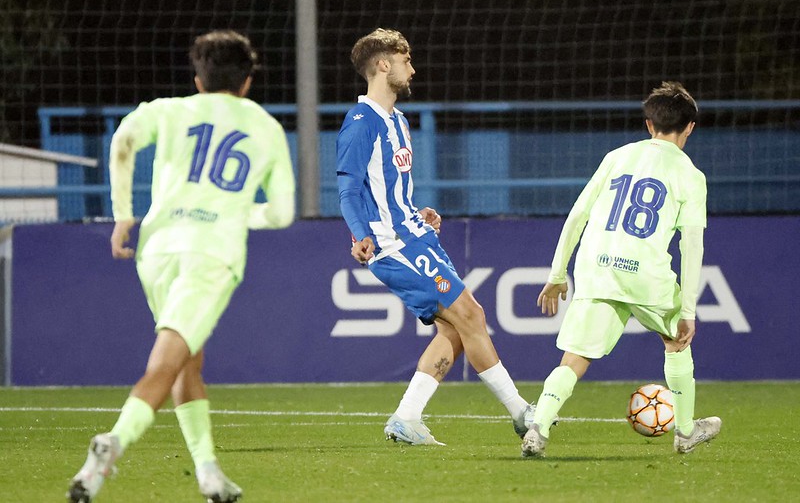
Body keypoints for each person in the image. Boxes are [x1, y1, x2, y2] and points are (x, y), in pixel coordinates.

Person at [67, 30, 296, 502]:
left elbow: (124, 139)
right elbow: (281, 213)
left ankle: (209, 472)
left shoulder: (169, 110)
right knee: (167, 361)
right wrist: (236, 213)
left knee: (188, 361)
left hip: (157, 249)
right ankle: (112, 445)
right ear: (248, 82)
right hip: (209, 254)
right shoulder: (265, 128)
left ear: (197, 79)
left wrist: (125, 211)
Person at [336, 28, 532, 446]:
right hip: (394, 246)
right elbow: (348, 188)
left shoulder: (399, 121)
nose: (412, 68)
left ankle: (407, 418)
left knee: (456, 331)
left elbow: (388, 188)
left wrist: (416, 210)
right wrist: (360, 234)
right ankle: (522, 414)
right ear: (383, 65)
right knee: (472, 315)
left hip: (415, 234)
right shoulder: (360, 123)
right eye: (405, 60)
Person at [521, 81, 721, 458]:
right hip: (646, 272)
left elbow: (578, 214)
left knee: (575, 358)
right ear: (690, 127)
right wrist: (689, 312)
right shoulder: (692, 176)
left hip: (597, 266)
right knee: (676, 342)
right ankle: (685, 432)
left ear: (649, 124)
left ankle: (538, 429)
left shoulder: (618, 156)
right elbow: (691, 245)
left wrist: (557, 273)